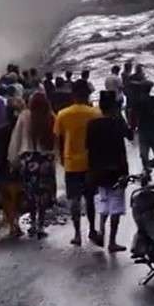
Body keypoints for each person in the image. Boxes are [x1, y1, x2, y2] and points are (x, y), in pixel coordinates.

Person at [54, 79, 103, 247]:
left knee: (74, 199)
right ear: (87, 94)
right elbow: (98, 140)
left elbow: (59, 139)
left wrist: (61, 157)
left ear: (73, 95)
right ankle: (92, 230)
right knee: (90, 199)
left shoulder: (63, 114)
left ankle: (77, 234)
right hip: (90, 163)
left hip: (71, 162)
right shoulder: (96, 113)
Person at [87, 91, 133, 253]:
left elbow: (88, 147)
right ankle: (112, 241)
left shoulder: (92, 124)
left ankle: (101, 233)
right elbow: (129, 138)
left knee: (104, 203)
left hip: (98, 171)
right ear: (114, 107)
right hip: (116, 171)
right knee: (116, 206)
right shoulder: (117, 123)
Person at [9, 92, 57, 239]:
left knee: (30, 195)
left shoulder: (24, 116)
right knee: (43, 195)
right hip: (46, 161)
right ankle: (41, 225)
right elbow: (56, 141)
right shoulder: (51, 117)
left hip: (28, 160)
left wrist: (13, 160)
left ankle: (33, 223)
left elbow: (16, 138)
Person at [0, 105, 24, 238]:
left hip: (3, 168)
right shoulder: (22, 131)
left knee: (7, 198)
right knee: (17, 197)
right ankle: (15, 222)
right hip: (18, 167)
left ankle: (12, 224)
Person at [133, 80, 154, 181]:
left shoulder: (137, 101)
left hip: (142, 130)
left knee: (144, 154)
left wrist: (133, 127)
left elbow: (132, 114)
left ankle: (146, 174)